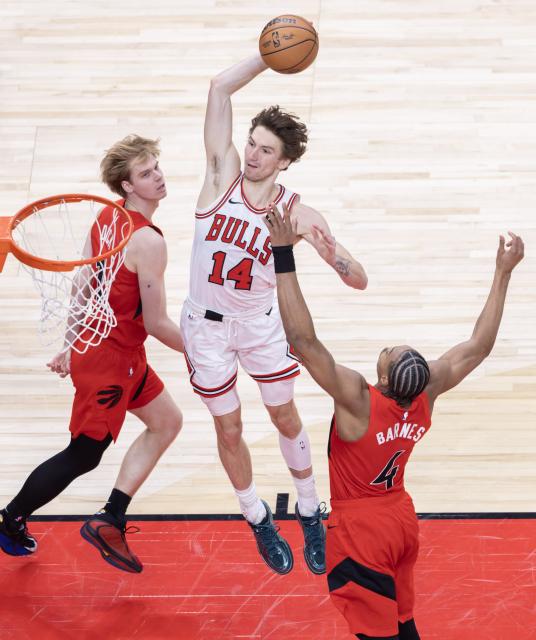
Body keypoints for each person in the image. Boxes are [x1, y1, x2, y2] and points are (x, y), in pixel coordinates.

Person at [265, 204, 523, 638]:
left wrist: (282, 254)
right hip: (401, 521)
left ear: (383, 379)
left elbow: (303, 342)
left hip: (361, 530)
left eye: (391, 351)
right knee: (405, 624)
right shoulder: (426, 395)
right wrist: (504, 273)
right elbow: (478, 347)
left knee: (379, 635)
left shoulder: (359, 401)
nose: (391, 346)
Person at [180, 53, 368, 575]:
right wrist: (267, 57)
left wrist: (337, 259)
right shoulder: (221, 179)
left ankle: (309, 510)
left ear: (285, 161)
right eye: (253, 145)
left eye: (266, 150)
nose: (255, 155)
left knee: (284, 416)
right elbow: (219, 87)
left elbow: (357, 278)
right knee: (230, 429)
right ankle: (258, 516)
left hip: (261, 326)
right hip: (207, 328)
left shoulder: (298, 214)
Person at [0, 135, 183, 574]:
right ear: (127, 186)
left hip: (109, 349)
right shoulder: (148, 241)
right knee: (84, 454)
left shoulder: (107, 216)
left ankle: (111, 517)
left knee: (167, 421)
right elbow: (157, 324)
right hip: (110, 363)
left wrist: (70, 342)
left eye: (156, 167)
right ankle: (9, 520)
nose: (157, 176)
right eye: (145, 173)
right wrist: (209, 352)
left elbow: (83, 285)